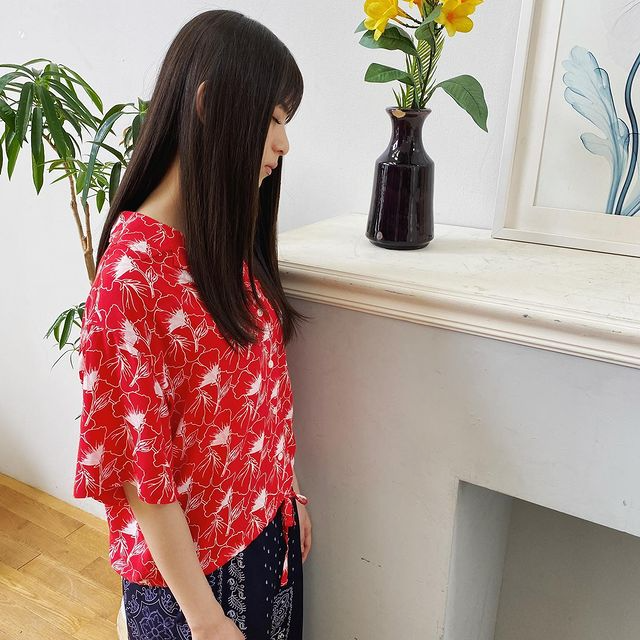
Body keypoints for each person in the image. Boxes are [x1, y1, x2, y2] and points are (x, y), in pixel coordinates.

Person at [72, 9, 312, 639]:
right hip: (194, 584)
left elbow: (264, 390)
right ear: (209, 105)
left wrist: (287, 493)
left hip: (267, 535)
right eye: (272, 120)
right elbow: (141, 469)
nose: (284, 144)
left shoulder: (225, 241)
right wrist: (204, 620)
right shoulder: (132, 275)